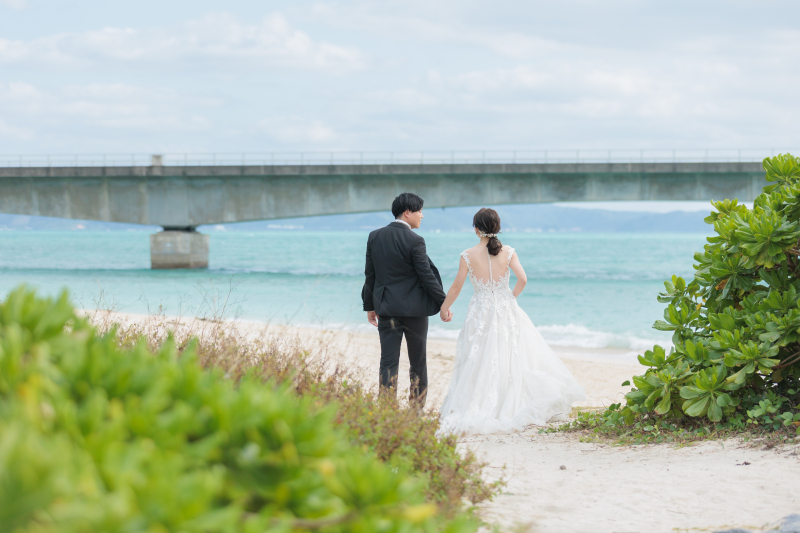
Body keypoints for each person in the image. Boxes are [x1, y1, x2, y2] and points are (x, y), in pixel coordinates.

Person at [438, 207, 586, 435]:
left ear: (476, 229)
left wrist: (445, 307)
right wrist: (509, 298)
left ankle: (477, 403)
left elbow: (457, 285)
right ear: (497, 227)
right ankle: (509, 401)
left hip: (480, 309)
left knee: (480, 357)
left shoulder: (467, 254)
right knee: (510, 354)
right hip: (506, 309)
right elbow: (523, 279)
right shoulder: (508, 252)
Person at [362, 192, 450, 406]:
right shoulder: (415, 240)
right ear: (407, 212)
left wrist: (370, 306)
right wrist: (444, 303)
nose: (422, 215)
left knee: (388, 362)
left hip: (387, 309)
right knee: (418, 363)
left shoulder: (375, 236)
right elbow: (426, 276)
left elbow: (370, 275)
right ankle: (416, 410)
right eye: (419, 211)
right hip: (415, 312)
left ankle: (386, 410)